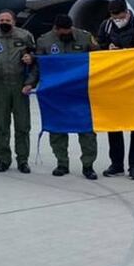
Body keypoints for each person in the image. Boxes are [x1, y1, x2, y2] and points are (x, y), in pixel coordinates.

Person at [34, 14, 100, 180]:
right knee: (57, 130)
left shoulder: (85, 37)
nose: (66, 33)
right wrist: (30, 83)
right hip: (56, 93)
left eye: (68, 30)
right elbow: (38, 66)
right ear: (55, 29)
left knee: (86, 131)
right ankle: (62, 163)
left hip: (80, 92)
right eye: (62, 31)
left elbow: (99, 59)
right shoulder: (44, 41)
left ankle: (88, 165)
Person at [96, 0, 134, 180]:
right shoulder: (106, 26)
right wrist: (107, 48)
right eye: (113, 16)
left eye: (118, 15)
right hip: (114, 82)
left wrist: (129, 52)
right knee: (114, 124)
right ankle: (116, 164)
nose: (116, 19)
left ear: (126, 11)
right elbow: (99, 46)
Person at [0, 9, 38, 173]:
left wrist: (30, 82)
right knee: (1, 124)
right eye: (1, 20)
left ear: (14, 21)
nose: (4, 23)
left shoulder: (24, 36)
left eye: (7, 20)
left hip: (20, 85)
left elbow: (35, 61)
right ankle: (3, 159)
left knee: (23, 125)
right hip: (0, 85)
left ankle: (23, 160)